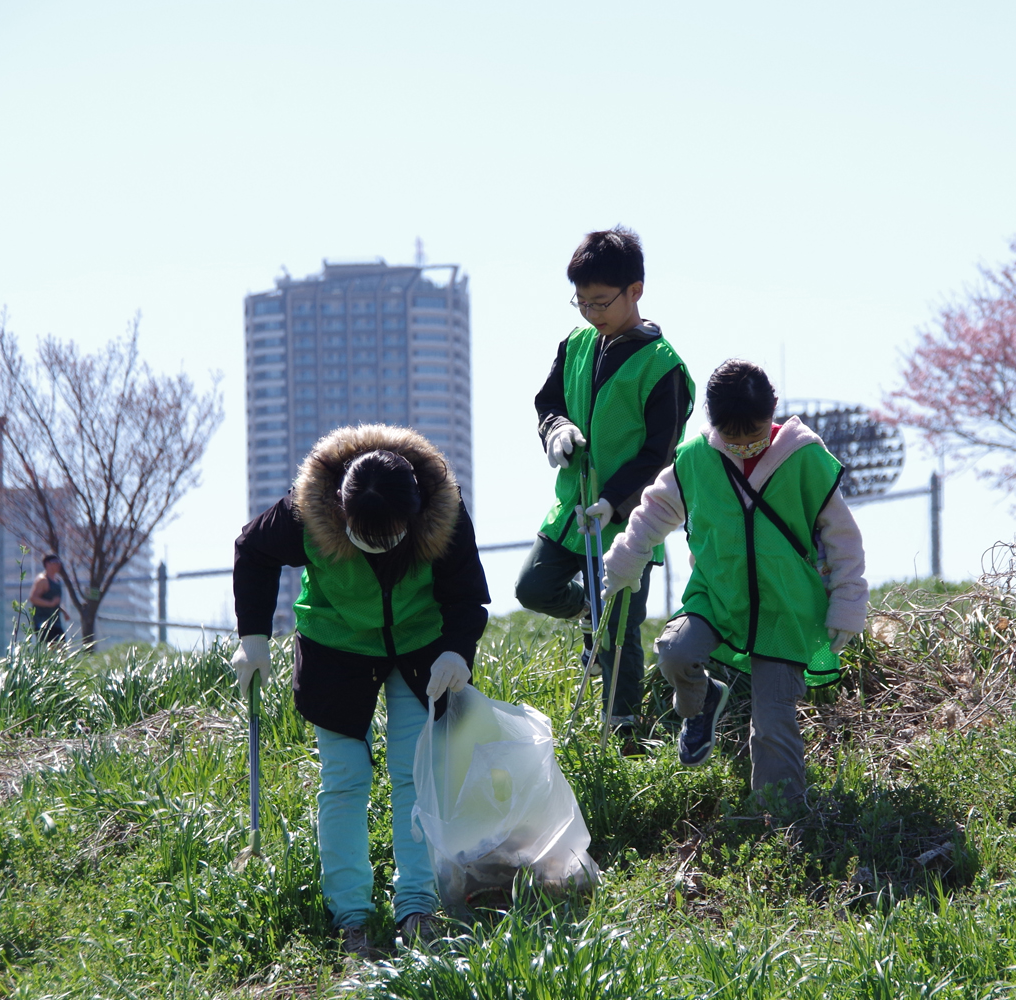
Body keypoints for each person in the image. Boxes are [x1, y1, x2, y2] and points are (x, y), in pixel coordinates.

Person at [231, 425, 490, 960]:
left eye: (388, 537)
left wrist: (457, 651)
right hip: (338, 647)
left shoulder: (446, 513)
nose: (376, 547)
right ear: (342, 512)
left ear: (414, 516)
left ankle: (417, 908)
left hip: (420, 646)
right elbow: (252, 550)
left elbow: (467, 594)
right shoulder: (308, 510)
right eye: (364, 536)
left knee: (414, 775)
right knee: (344, 779)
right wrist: (252, 635)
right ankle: (351, 917)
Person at [600, 360, 868, 808]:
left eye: (756, 437)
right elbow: (654, 511)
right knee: (674, 652)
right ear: (712, 424)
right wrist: (627, 557)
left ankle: (781, 819)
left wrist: (846, 604)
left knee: (772, 719)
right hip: (716, 596)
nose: (744, 447)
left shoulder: (806, 459)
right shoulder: (694, 460)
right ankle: (703, 702)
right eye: (733, 439)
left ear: (774, 412)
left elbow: (844, 540)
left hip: (787, 611)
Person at [515, 226, 694, 744]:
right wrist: (556, 430)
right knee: (533, 587)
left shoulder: (664, 368)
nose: (591, 312)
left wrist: (614, 501)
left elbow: (659, 454)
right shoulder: (574, 344)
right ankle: (586, 609)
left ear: (635, 291)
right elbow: (547, 401)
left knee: (619, 632)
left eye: (601, 301)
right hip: (569, 510)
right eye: (581, 302)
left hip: (627, 522)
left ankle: (623, 734)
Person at [27, 553, 66, 644]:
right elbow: (33, 598)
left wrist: (64, 611)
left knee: (62, 647)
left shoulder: (57, 580)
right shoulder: (42, 580)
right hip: (43, 622)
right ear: (47, 564)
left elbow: (55, 602)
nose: (58, 564)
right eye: (55, 562)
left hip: (56, 621)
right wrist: (50, 604)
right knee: (51, 649)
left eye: (59, 562)